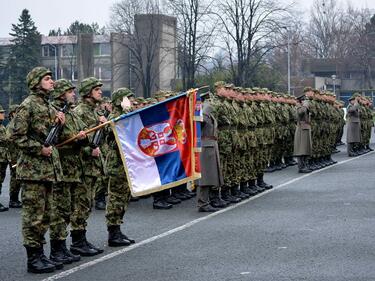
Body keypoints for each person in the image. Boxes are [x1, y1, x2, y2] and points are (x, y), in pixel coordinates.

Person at [9, 67, 65, 273]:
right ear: (36, 82)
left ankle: (41, 254)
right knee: (33, 215)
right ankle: (33, 258)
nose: (52, 82)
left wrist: (59, 123)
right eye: (48, 79)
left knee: (45, 215)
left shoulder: (47, 105)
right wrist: (39, 149)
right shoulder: (28, 105)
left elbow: (51, 137)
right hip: (33, 170)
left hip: (47, 170)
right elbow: (16, 136)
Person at [49, 79, 87, 264]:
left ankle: (63, 246)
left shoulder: (70, 113)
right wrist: (73, 136)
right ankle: (57, 248)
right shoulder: (55, 111)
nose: (73, 94)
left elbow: (82, 130)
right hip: (61, 167)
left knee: (68, 208)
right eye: (70, 91)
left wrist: (82, 136)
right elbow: (50, 136)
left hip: (73, 166)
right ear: (61, 93)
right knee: (59, 209)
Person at [70, 77, 106, 256]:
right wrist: (87, 151)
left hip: (92, 166)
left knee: (87, 204)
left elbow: (99, 138)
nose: (100, 91)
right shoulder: (79, 111)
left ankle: (82, 239)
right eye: (96, 89)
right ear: (88, 92)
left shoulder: (94, 111)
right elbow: (74, 140)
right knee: (81, 204)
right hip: (82, 166)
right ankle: (77, 241)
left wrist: (102, 124)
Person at [105, 88, 135, 246]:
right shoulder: (114, 116)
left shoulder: (124, 114)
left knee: (123, 198)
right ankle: (113, 232)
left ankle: (118, 229)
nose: (132, 101)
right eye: (128, 98)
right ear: (120, 101)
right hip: (116, 163)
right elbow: (121, 133)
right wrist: (128, 110)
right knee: (116, 198)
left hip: (125, 163)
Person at [197, 92, 223, 212]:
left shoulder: (208, 114)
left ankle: (208, 200)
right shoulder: (202, 115)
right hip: (205, 148)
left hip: (211, 147)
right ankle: (203, 203)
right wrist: (204, 110)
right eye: (208, 100)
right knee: (205, 177)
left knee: (211, 176)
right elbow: (199, 125)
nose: (211, 103)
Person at [6, 104, 22, 208]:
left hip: (18, 155)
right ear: (13, 113)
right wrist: (13, 159)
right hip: (14, 156)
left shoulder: (16, 124)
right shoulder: (12, 126)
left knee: (18, 178)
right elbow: (10, 142)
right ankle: (13, 199)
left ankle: (15, 198)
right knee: (15, 178)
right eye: (17, 111)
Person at [294, 90, 312, 173]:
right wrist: (305, 105)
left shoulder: (304, 106)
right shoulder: (298, 106)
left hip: (306, 128)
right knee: (301, 149)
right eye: (305, 100)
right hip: (301, 129)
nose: (306, 102)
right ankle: (301, 167)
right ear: (301, 101)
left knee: (306, 148)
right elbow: (301, 112)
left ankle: (305, 165)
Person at [0, 104, 9, 212]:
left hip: (3, 157)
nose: (3, 114)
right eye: (1, 113)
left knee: (1, 180)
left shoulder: (2, 127)